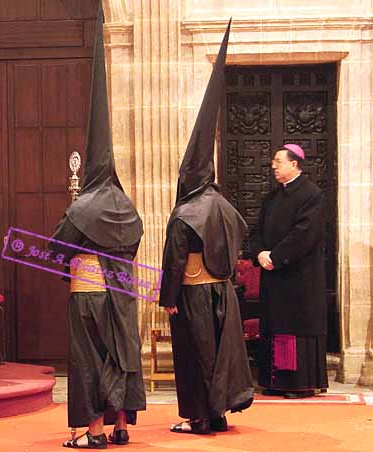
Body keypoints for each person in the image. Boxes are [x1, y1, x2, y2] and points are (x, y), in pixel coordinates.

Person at [51, 7, 145, 449]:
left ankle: (92, 433)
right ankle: (121, 425)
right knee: (121, 355)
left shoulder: (83, 206)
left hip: (88, 291)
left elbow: (55, 249)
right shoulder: (126, 205)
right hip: (123, 291)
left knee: (89, 358)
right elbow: (135, 240)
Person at [160, 20, 254, 435]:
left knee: (196, 354)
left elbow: (175, 259)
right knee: (220, 354)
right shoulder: (224, 206)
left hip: (195, 294)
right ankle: (217, 412)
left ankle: (199, 417)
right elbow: (241, 236)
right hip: (223, 293)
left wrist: (169, 299)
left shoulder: (185, 213)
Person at [250, 143, 328, 398]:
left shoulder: (311, 195)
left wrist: (276, 256)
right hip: (274, 276)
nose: (273, 165)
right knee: (275, 327)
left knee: (295, 329)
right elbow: (257, 230)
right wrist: (260, 253)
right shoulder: (272, 197)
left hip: (299, 277)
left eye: (278, 161)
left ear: (294, 164)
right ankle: (275, 382)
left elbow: (304, 234)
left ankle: (297, 384)